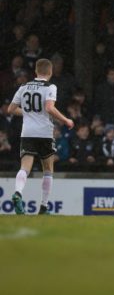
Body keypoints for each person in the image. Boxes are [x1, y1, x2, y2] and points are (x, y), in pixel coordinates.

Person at [7, 58, 75, 215]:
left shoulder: (24, 86)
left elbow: (11, 109)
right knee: (48, 169)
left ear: (36, 72)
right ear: (50, 72)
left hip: (27, 133)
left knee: (25, 167)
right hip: (44, 133)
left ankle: (18, 193)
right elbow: (49, 107)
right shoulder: (50, 86)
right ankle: (43, 207)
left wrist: (29, 113)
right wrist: (66, 120)